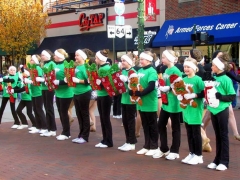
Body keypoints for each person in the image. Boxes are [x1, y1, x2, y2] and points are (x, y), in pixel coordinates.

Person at [207, 56, 235, 171]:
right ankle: (217, 159)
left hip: (222, 110)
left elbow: (232, 96)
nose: (211, 67)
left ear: (218, 67)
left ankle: (224, 161)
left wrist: (221, 97)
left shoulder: (226, 79)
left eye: (213, 65)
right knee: (217, 135)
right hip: (213, 109)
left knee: (223, 135)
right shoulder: (213, 77)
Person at [154, 50, 182, 160]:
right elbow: (165, 82)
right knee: (161, 124)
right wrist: (160, 85)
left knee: (175, 127)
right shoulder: (166, 70)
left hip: (174, 103)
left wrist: (169, 88)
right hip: (166, 102)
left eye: (164, 57)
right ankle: (164, 148)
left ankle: (175, 150)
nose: (162, 59)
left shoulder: (175, 70)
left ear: (170, 58)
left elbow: (179, 86)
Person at [131, 50, 158, 156]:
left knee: (152, 124)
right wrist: (132, 91)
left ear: (149, 60)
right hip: (141, 102)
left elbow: (151, 86)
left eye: (142, 59)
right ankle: (147, 145)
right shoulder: (140, 70)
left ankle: (154, 146)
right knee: (145, 124)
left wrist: (139, 93)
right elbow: (135, 83)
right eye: (140, 59)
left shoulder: (152, 71)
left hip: (150, 101)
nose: (140, 61)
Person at [180, 58, 205, 165]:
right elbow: (180, 91)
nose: (186, 69)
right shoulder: (183, 79)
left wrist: (195, 95)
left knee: (196, 133)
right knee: (189, 133)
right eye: (185, 67)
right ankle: (192, 152)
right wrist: (180, 96)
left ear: (194, 68)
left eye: (188, 67)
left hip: (195, 109)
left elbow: (205, 93)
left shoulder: (198, 80)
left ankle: (198, 155)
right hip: (186, 109)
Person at [71, 49, 92, 144]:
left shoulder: (85, 67)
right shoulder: (76, 67)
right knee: (79, 115)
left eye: (77, 55)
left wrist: (78, 81)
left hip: (84, 93)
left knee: (84, 114)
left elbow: (89, 81)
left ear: (83, 57)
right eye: (75, 55)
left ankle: (85, 136)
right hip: (76, 93)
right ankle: (80, 135)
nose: (75, 57)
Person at [118, 53, 137, 152]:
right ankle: (128, 140)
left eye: (124, 60)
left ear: (129, 61)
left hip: (131, 101)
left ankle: (132, 142)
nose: (122, 62)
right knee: (125, 121)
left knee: (130, 121)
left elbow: (134, 86)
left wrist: (126, 81)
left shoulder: (132, 71)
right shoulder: (124, 71)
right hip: (124, 99)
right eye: (121, 61)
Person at [53, 49, 73, 140]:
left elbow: (69, 80)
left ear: (60, 56)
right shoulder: (56, 65)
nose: (53, 57)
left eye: (55, 55)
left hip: (66, 93)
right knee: (61, 113)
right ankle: (64, 131)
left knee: (63, 113)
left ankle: (66, 133)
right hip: (58, 93)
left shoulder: (66, 65)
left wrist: (58, 82)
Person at [94, 49, 113, 148]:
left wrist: (99, 83)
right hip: (101, 95)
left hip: (105, 95)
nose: (95, 59)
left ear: (100, 59)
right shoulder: (102, 68)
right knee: (103, 118)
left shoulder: (104, 68)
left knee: (105, 118)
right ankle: (105, 139)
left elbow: (108, 82)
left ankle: (108, 141)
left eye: (96, 58)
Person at [25, 55, 48, 134]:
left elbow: (40, 79)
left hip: (38, 92)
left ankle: (44, 126)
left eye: (32, 60)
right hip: (34, 92)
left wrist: (31, 81)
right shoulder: (32, 69)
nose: (30, 61)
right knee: (35, 109)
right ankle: (38, 126)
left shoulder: (38, 68)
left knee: (39, 110)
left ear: (35, 61)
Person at [39, 50, 57, 137]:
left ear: (48, 55)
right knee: (46, 108)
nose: (42, 57)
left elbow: (53, 75)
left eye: (43, 55)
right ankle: (49, 128)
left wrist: (48, 81)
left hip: (49, 88)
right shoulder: (44, 64)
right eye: (41, 55)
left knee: (49, 108)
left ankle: (53, 129)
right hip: (44, 87)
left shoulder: (52, 64)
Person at [88, 57, 97, 132]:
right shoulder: (97, 71)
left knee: (85, 109)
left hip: (91, 92)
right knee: (91, 110)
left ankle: (90, 121)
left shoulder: (89, 72)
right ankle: (93, 126)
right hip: (97, 92)